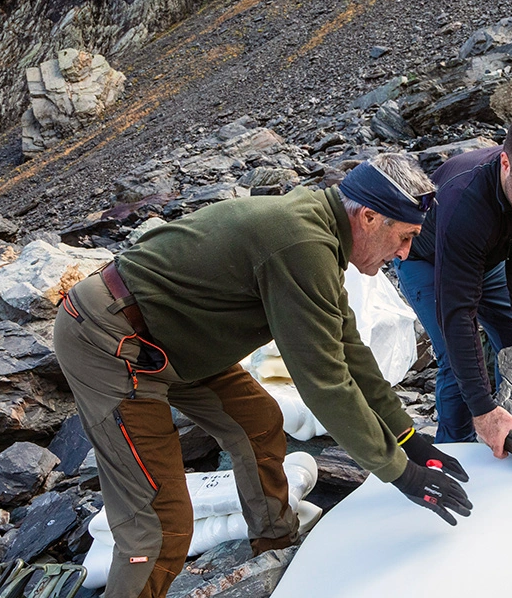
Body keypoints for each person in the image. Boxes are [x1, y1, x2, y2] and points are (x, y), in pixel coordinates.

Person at [53, 154, 472, 598]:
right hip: (111, 341)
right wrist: (398, 473)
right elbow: (325, 383)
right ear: (369, 217)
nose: (405, 253)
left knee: (259, 424)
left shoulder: (320, 235)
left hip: (177, 339)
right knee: (160, 526)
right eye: (404, 238)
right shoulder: (301, 243)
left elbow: (349, 350)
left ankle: (275, 548)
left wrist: (408, 438)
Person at [397, 110, 512, 455]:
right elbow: (458, 313)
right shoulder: (465, 201)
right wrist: (482, 409)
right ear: (506, 164)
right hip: (428, 259)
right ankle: (454, 450)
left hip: (492, 254)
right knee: (456, 354)